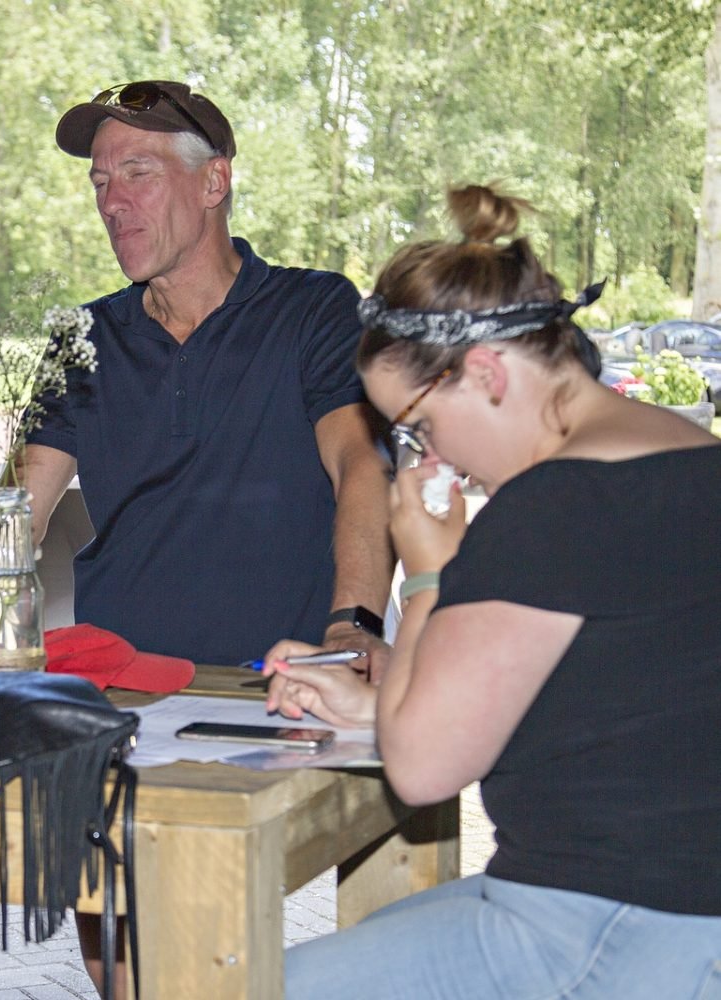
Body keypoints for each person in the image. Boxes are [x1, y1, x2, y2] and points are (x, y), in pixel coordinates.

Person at [0, 80, 395, 996]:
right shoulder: (85, 335)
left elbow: (362, 464)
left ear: (214, 183)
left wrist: (353, 623)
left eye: (138, 173)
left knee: (212, 950)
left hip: (268, 690)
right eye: (99, 181)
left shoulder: (315, 308)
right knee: (118, 955)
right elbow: (17, 505)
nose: (111, 200)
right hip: (121, 695)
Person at [262, 185, 721, 999]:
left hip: (609, 920)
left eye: (418, 426)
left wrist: (428, 572)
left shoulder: (551, 503)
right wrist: (376, 707)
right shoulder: (684, 452)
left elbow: (424, 770)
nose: (429, 457)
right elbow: (611, 697)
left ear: (485, 372)